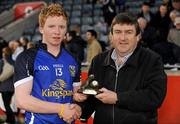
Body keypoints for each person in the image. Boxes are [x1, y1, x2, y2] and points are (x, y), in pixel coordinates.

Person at [79, 12, 167, 124]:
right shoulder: (98, 61)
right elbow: (91, 98)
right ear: (111, 36)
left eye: (129, 32)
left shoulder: (152, 60)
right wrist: (79, 107)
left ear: (138, 36)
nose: (123, 38)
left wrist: (117, 98)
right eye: (118, 32)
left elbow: (154, 97)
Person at [14, 4, 81, 124]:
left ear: (66, 29)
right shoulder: (27, 57)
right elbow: (22, 100)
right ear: (41, 28)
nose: (57, 32)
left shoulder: (73, 59)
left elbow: (77, 96)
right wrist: (60, 109)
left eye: (61, 27)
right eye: (51, 26)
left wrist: (78, 107)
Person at [0, 47, 15, 123]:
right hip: (12, 87)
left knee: (6, 105)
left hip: (4, 87)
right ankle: (9, 120)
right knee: (7, 104)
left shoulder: (2, 62)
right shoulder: (14, 62)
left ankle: (11, 120)